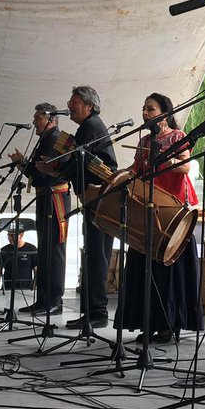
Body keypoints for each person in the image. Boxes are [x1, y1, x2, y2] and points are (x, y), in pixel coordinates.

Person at [113, 94, 202, 344]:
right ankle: (148, 322)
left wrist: (168, 160)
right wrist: (115, 177)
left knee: (167, 271)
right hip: (147, 212)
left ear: (164, 112)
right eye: (144, 109)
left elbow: (186, 167)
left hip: (171, 213)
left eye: (150, 109)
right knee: (143, 268)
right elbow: (135, 170)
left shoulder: (177, 136)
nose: (145, 113)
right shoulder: (144, 140)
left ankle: (168, 324)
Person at [9, 103, 72, 317]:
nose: (35, 122)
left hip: (55, 197)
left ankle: (54, 300)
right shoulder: (46, 138)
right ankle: (43, 299)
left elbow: (42, 175)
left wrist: (22, 164)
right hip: (45, 196)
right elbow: (37, 174)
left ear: (51, 120)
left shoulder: (55, 139)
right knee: (45, 250)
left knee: (54, 251)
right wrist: (23, 164)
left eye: (39, 118)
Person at [62, 86, 117, 329]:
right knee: (93, 255)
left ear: (89, 106)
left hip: (101, 199)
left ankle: (97, 313)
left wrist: (56, 170)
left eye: (75, 101)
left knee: (97, 256)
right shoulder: (86, 128)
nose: (70, 105)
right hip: (94, 199)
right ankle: (91, 312)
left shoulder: (91, 127)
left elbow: (78, 163)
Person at [0, 222, 37, 291]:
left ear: (21, 235)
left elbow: (36, 271)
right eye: (8, 235)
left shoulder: (31, 249)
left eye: (12, 235)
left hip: (27, 290)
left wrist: (34, 288)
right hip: (7, 289)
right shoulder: (3, 250)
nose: (10, 238)